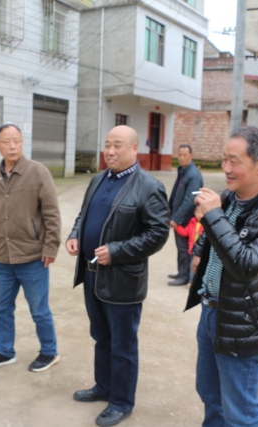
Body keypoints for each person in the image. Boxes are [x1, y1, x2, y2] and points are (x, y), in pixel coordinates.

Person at [185, 126, 258, 427]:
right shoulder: (230, 198)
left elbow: (247, 266)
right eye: (224, 159)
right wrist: (200, 249)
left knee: (240, 414)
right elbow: (215, 233)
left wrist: (213, 216)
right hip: (210, 312)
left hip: (242, 326)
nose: (225, 168)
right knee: (210, 395)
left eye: (234, 161)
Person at [66, 125, 170, 426]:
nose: (110, 151)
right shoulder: (98, 179)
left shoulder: (149, 186)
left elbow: (158, 234)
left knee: (122, 346)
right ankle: (104, 386)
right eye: (107, 145)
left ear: (134, 148)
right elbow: (84, 215)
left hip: (123, 281)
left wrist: (117, 250)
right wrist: (75, 234)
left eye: (118, 145)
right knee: (101, 337)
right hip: (91, 275)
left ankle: (122, 402)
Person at [0, 123, 62, 372]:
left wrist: (51, 248)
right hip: (2, 259)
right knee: (1, 309)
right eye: (6, 141)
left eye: (16, 140)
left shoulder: (38, 172)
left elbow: (52, 214)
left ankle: (49, 352)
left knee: (39, 310)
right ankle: (4, 351)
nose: (12, 146)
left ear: (22, 143)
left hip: (33, 257)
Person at [167, 144, 203, 286]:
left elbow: (190, 199)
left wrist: (177, 218)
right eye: (180, 155)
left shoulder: (193, 175)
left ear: (191, 156)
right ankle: (181, 272)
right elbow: (175, 194)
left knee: (184, 249)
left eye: (185, 155)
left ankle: (184, 276)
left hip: (186, 219)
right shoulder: (183, 171)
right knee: (180, 247)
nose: (181, 158)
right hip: (179, 216)